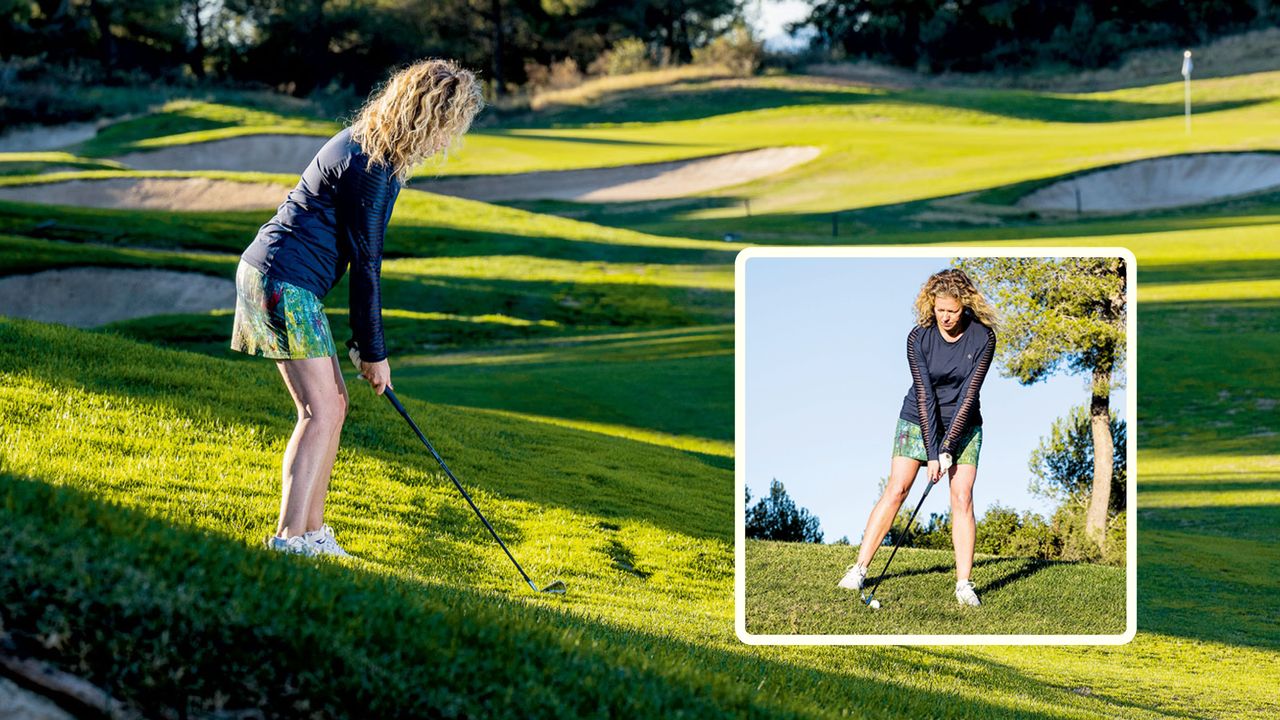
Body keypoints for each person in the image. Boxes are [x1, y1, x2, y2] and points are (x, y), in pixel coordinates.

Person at [229, 59, 484, 558]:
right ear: (427, 117)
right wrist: (375, 352)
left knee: (333, 406)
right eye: (447, 127)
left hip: (287, 279)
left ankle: (314, 533)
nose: (444, 142)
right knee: (317, 410)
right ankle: (288, 539)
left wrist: (361, 344)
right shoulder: (371, 164)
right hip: (280, 279)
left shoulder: (371, 149)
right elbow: (367, 267)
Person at [838, 268, 998, 606]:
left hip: (964, 422)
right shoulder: (918, 338)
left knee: (962, 497)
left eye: (952, 311)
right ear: (932, 305)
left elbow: (970, 394)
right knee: (897, 489)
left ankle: (964, 584)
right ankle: (859, 570)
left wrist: (948, 447)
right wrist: (932, 452)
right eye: (940, 310)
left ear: (964, 306)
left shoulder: (983, 338)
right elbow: (925, 395)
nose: (946, 317)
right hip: (917, 419)